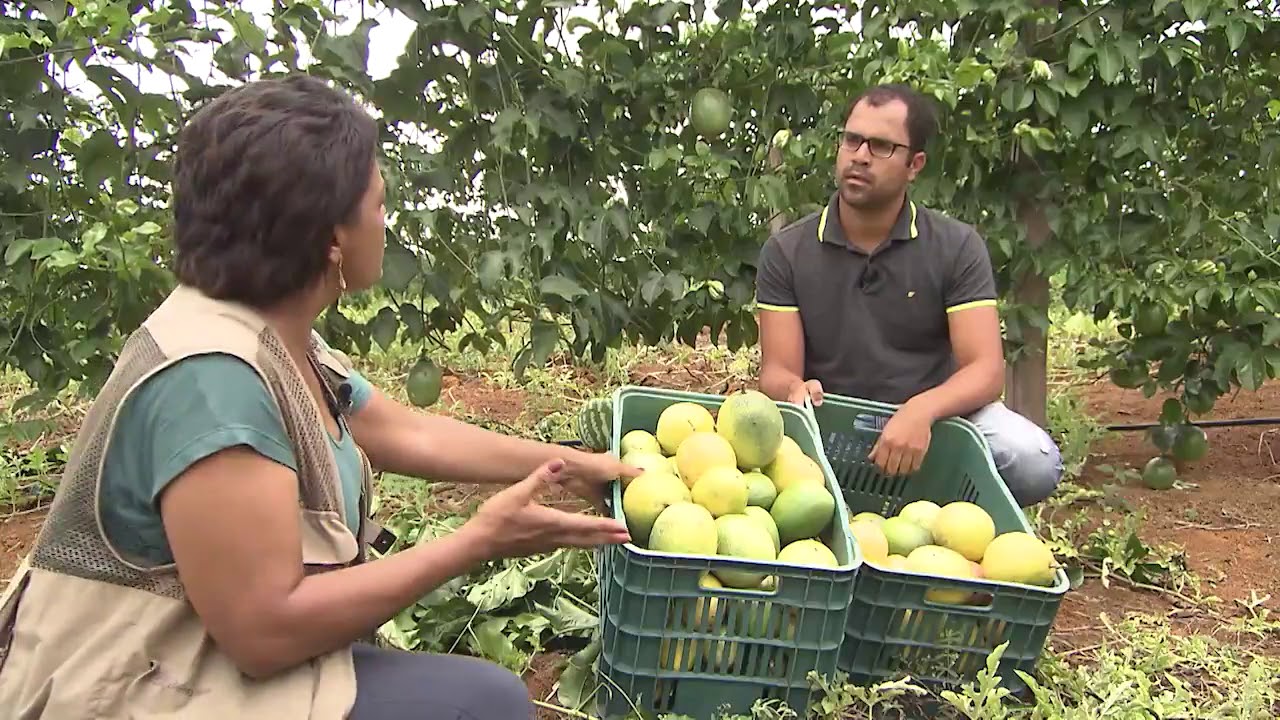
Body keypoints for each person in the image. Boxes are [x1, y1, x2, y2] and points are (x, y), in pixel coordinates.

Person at [0, 74, 637, 720]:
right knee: (485, 705)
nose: (386, 226)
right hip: (130, 689)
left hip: (193, 656)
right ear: (331, 237)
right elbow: (264, 632)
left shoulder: (273, 331)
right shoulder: (212, 383)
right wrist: (475, 543)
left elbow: (402, 432)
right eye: (380, 206)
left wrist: (564, 463)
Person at [754, 83, 1062, 507]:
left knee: (1031, 459)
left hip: (935, 427)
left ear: (914, 164)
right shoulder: (788, 251)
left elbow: (986, 371)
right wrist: (794, 389)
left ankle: (944, 509)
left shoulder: (955, 246)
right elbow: (776, 371)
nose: (860, 156)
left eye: (881, 146)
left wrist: (922, 410)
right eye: (852, 140)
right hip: (831, 424)